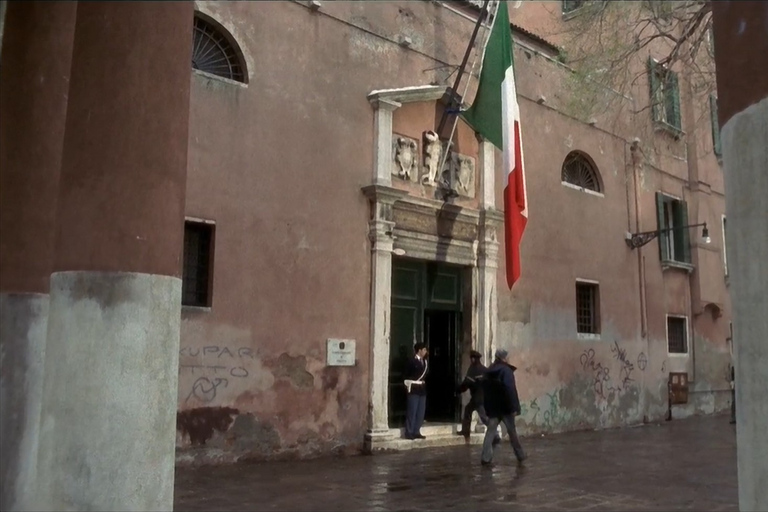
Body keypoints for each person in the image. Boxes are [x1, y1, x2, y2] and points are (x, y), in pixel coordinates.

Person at [480, 348, 526, 466]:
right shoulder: (506, 371)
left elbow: (485, 390)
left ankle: (485, 457)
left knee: (490, 432)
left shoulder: (489, 371)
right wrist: (514, 407)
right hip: (506, 407)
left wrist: (488, 407)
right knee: (512, 432)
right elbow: (510, 390)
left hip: (493, 408)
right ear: (504, 358)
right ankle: (520, 455)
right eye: (507, 356)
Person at [456, 350, 499, 444]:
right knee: (469, 410)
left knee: (483, 417)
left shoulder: (473, 369)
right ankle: (465, 431)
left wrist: (458, 390)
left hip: (477, 397)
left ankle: (495, 434)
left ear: (473, 359)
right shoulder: (484, 369)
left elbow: (466, 383)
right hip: (484, 397)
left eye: (471, 358)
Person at [404, 342, 428, 440]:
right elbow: (406, 375)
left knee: (420, 412)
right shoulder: (411, 361)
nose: (426, 352)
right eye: (424, 350)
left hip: (422, 389)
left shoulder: (425, 362)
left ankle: (416, 431)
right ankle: (409, 432)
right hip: (413, 388)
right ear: (419, 350)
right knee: (412, 411)